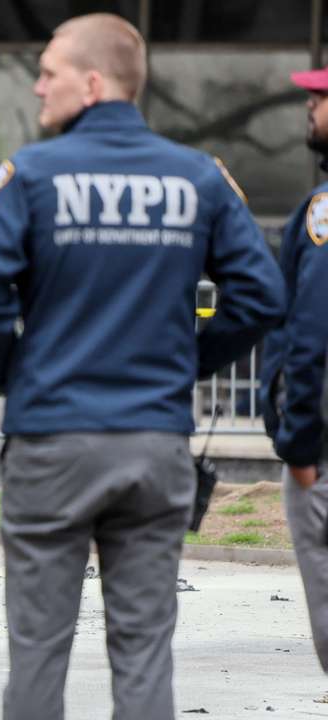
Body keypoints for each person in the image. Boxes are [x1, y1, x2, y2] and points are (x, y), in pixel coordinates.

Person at [0, 14, 284, 720]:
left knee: (38, 648)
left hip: (53, 440)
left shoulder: (33, 173)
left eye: (50, 71)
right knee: (143, 652)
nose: (38, 84)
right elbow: (260, 296)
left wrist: (14, 371)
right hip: (154, 440)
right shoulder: (199, 177)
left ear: (93, 82)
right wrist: (183, 364)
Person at [261, 64, 328, 675]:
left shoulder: (324, 215)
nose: (311, 105)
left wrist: (299, 443)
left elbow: (309, 335)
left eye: (324, 96)